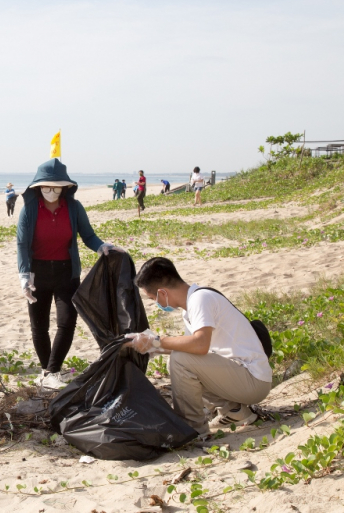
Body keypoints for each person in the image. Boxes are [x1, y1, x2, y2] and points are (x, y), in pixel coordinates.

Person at [126, 257, 272, 437]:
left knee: (180, 361)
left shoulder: (200, 300)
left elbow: (200, 345)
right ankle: (235, 412)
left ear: (162, 293)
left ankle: (193, 429)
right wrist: (149, 347)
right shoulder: (192, 305)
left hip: (253, 380)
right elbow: (192, 347)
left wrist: (157, 340)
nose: (156, 304)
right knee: (180, 359)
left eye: (152, 298)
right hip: (243, 376)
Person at [17, 159, 125, 389]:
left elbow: (88, 236)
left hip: (67, 272)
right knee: (39, 325)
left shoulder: (74, 208)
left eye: (56, 186)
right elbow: (22, 244)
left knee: (67, 322)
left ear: (65, 187)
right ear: (37, 186)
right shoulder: (30, 209)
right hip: (38, 272)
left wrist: (102, 246)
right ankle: (48, 371)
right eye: (46, 186)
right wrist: (25, 275)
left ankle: (53, 370)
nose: (50, 191)